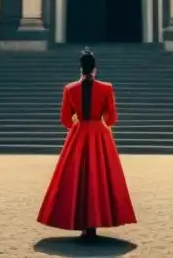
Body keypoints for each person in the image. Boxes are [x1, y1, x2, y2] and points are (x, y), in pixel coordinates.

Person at [36, 47, 137, 240]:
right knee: (99, 178)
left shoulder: (70, 89)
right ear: (95, 69)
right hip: (99, 135)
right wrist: (101, 123)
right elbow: (112, 117)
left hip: (79, 133)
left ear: (80, 68)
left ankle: (80, 220)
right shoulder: (106, 88)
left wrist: (78, 123)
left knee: (77, 178)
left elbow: (65, 120)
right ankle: (94, 222)